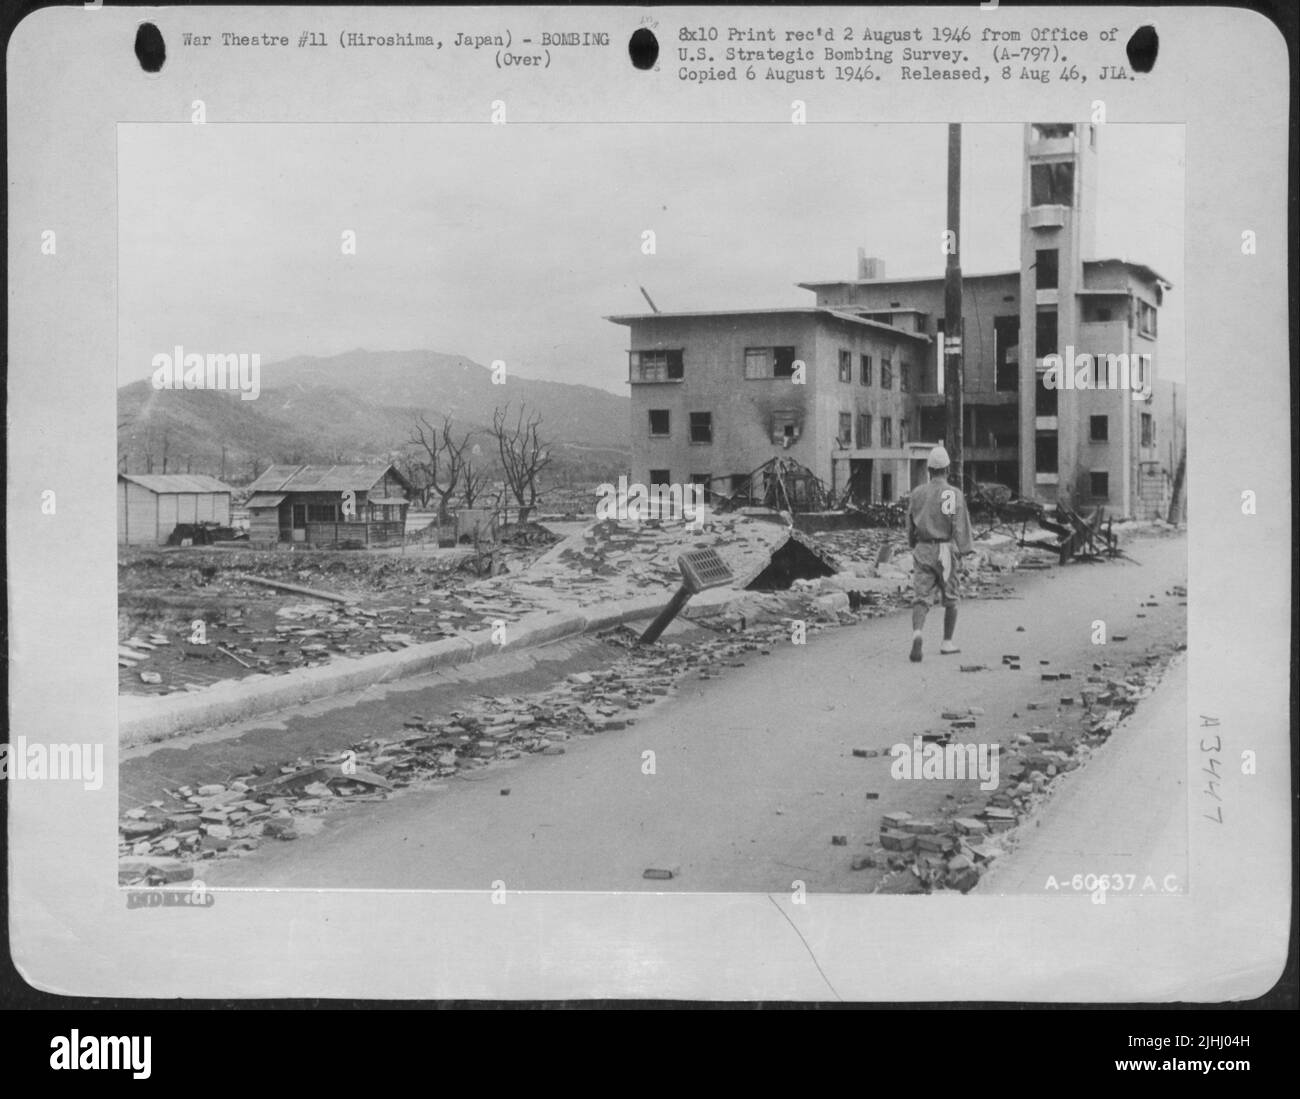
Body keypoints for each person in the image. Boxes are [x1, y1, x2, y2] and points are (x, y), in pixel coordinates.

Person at [906, 445, 975, 662]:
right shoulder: (952, 494)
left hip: (924, 547)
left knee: (921, 597)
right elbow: (958, 525)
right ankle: (947, 642)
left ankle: (917, 633)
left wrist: (912, 543)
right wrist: (963, 550)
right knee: (951, 597)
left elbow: (910, 524)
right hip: (945, 548)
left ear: (928, 470)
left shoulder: (917, 493)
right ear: (947, 469)